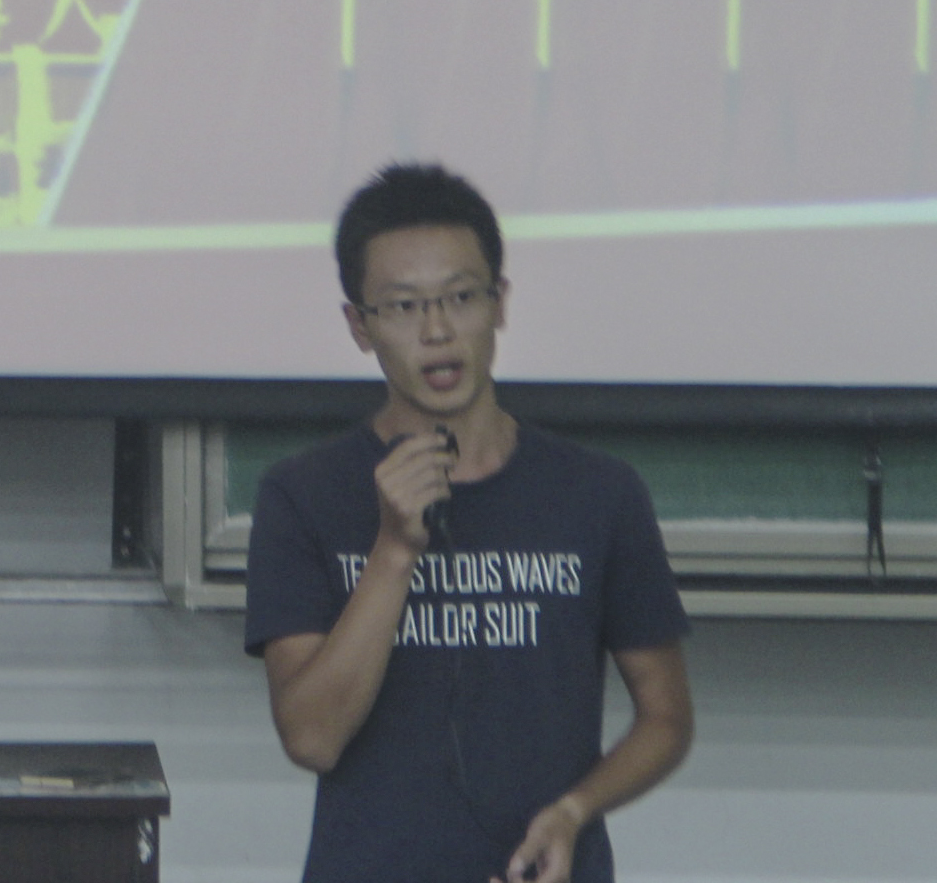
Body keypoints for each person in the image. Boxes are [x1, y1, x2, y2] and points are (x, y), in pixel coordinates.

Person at [244, 163, 693, 883]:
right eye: (402, 306)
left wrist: (574, 811)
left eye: (460, 297)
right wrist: (394, 550)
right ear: (359, 327)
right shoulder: (303, 495)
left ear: (499, 303)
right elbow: (313, 738)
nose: (437, 330)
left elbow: (665, 718)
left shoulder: (598, 493)